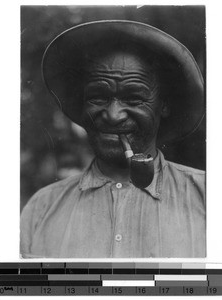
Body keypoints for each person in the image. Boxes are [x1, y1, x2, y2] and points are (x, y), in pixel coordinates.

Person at [20, 20, 206, 258]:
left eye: (133, 98)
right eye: (98, 97)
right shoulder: (42, 207)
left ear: (164, 105)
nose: (113, 115)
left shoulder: (209, 197)